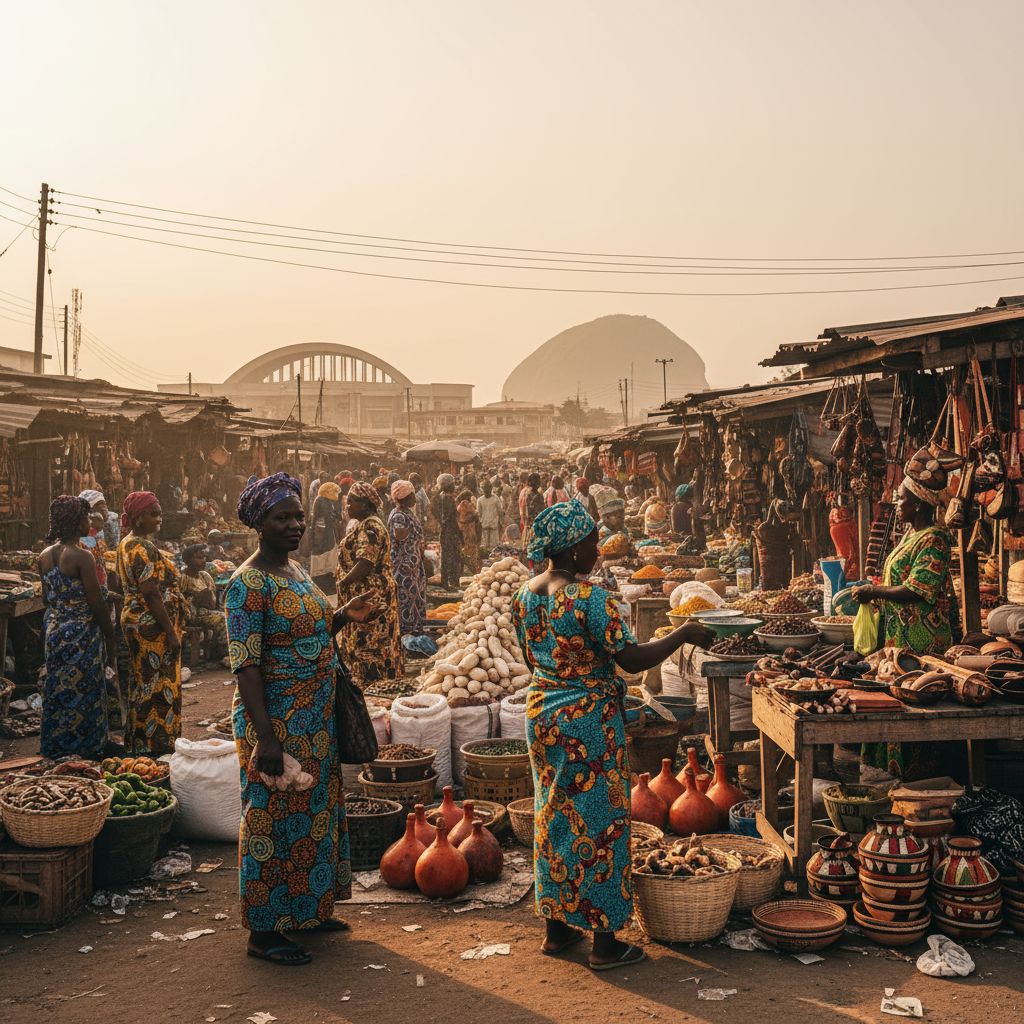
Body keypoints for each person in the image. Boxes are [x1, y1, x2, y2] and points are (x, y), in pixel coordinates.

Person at [511, 502, 714, 970]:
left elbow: (530, 658)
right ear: (571, 548)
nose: (597, 551)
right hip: (588, 724)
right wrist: (683, 631)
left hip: (543, 714)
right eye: (590, 542)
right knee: (600, 823)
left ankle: (556, 931)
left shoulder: (526, 594)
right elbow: (632, 659)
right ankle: (605, 943)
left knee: (553, 813)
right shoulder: (590, 599)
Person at [228, 472, 375, 966]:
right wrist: (264, 740)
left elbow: (309, 628)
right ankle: (265, 931)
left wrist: (342, 616)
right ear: (259, 523)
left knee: (314, 813)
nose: (294, 524)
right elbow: (246, 667)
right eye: (281, 517)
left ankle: (309, 908)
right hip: (277, 721)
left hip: (315, 719)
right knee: (273, 819)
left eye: (297, 516)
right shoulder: (247, 583)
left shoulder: (295, 572)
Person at [852, 476, 956, 779]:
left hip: (922, 642)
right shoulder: (912, 535)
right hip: (900, 638)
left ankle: (917, 784)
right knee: (893, 706)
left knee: (916, 708)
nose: (896, 504)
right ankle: (887, 780)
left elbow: (918, 588)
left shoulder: (934, 539)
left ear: (919, 503)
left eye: (902, 498)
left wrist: (875, 592)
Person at [38, 496, 118, 759]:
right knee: (87, 687)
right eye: (85, 517)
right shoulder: (82, 556)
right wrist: (110, 637)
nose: (89, 521)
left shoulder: (44, 557)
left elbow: (46, 600)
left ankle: (58, 745)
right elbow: (96, 602)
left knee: (58, 687)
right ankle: (89, 746)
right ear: (75, 521)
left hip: (55, 630)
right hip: (82, 632)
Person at [117, 491, 185, 756]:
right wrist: (171, 631)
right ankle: (157, 746)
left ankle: (138, 743)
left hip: (137, 620)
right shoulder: (140, 547)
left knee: (142, 681)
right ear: (139, 517)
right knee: (158, 685)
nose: (159, 518)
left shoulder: (127, 543)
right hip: (151, 626)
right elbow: (151, 592)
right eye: (154, 513)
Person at [336, 481, 404, 687]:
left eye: (351, 503)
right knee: (372, 644)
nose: (347, 507)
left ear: (364, 504)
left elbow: (365, 562)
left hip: (371, 597)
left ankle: (372, 691)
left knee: (370, 645)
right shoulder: (367, 525)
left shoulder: (370, 528)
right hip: (373, 595)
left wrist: (344, 581)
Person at [179, 543, 229, 666]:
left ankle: (216, 653)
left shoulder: (205, 576)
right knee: (223, 619)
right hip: (190, 615)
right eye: (197, 558)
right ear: (186, 561)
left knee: (228, 615)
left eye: (203, 557)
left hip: (205, 612)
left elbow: (212, 602)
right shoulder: (183, 578)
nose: (202, 561)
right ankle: (222, 655)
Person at [388, 481, 427, 636]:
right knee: (405, 599)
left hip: (413, 564)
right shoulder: (399, 516)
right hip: (404, 566)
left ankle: (415, 629)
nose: (414, 498)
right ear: (403, 497)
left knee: (414, 597)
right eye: (411, 495)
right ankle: (405, 633)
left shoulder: (407, 513)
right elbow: (401, 538)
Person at [307, 481, 344, 591]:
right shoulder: (321, 500)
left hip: (328, 535)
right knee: (322, 562)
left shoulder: (328, 501)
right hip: (323, 536)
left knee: (327, 562)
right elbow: (322, 521)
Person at [436, 473, 462, 591]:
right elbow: (452, 518)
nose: (454, 487)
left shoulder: (441, 496)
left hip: (444, 531)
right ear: (447, 486)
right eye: (452, 484)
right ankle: (452, 583)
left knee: (445, 558)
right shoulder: (448, 499)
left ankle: (445, 582)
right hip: (450, 532)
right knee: (452, 558)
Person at [477, 480, 504, 550]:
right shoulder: (495, 499)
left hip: (490, 525)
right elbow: (500, 512)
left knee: (489, 547)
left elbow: (479, 514)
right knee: (492, 547)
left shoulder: (481, 500)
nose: (485, 491)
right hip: (489, 525)